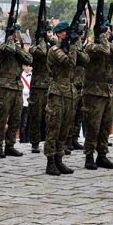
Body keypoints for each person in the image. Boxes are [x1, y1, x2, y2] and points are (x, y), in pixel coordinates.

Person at [44, 21, 87, 175]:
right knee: (54, 128)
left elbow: (86, 60)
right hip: (57, 93)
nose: (68, 33)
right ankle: (50, 162)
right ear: (59, 34)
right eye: (66, 32)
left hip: (70, 92)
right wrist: (73, 47)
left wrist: (77, 43)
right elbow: (70, 62)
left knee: (65, 129)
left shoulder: (68, 48)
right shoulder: (55, 50)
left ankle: (59, 159)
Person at [82, 20, 113, 169]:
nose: (108, 33)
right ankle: (89, 156)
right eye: (105, 31)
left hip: (108, 92)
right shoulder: (90, 47)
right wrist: (103, 39)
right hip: (93, 93)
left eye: (108, 31)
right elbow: (104, 51)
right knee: (93, 126)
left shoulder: (110, 46)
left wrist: (109, 42)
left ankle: (102, 155)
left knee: (106, 126)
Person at [0, 24, 32, 157]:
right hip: (5, 86)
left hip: (17, 85)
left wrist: (17, 48)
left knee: (16, 118)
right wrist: (9, 39)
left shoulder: (17, 49)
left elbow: (29, 59)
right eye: (16, 32)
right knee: (1, 118)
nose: (17, 34)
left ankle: (10, 145)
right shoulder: (3, 47)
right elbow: (9, 50)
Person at [28, 24, 53, 153]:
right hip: (38, 87)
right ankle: (35, 142)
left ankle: (51, 141)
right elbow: (42, 52)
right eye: (46, 32)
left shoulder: (53, 47)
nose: (48, 34)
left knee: (52, 116)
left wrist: (48, 38)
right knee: (36, 115)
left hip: (51, 86)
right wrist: (42, 40)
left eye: (50, 32)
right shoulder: (34, 48)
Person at [67, 24, 89, 151]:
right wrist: (75, 43)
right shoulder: (70, 46)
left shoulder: (79, 46)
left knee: (78, 115)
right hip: (72, 83)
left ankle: (74, 138)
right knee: (71, 114)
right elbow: (76, 59)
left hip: (81, 84)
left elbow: (86, 59)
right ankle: (68, 139)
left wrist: (79, 43)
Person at [19, 64, 32, 144]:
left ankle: (28, 138)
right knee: (23, 122)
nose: (28, 68)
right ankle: (22, 138)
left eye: (30, 66)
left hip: (31, 102)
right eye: (26, 66)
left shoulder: (32, 76)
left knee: (29, 122)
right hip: (24, 101)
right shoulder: (21, 76)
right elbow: (23, 89)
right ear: (23, 66)